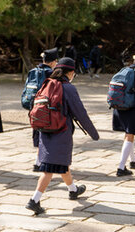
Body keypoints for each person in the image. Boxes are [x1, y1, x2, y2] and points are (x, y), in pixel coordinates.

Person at [27, 58, 100, 215]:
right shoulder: (68, 88)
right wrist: (94, 134)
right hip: (61, 132)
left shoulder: (47, 84)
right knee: (49, 169)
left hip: (45, 131)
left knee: (61, 164)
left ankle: (73, 190)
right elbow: (80, 113)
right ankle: (34, 200)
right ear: (71, 72)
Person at [31, 48, 59, 171]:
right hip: (45, 107)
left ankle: (38, 161)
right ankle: (39, 162)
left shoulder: (33, 71)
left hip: (33, 105)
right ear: (53, 62)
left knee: (38, 132)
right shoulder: (51, 73)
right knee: (45, 133)